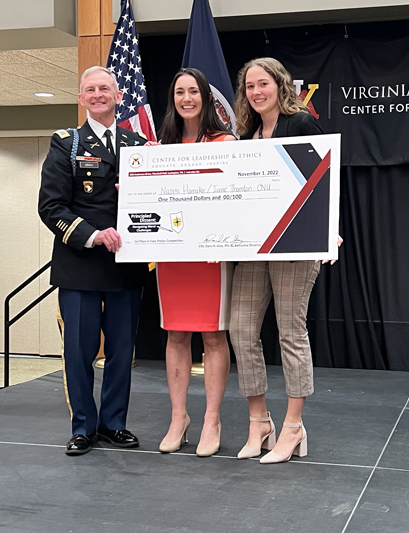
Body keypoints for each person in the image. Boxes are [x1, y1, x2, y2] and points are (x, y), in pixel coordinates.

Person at [230, 57, 338, 464]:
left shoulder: (301, 124)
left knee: (290, 332)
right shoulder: (247, 135)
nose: (257, 92)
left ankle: (293, 428)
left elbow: (322, 180)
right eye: (250, 87)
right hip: (255, 247)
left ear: (280, 85)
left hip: (295, 247)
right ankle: (260, 422)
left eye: (264, 84)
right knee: (241, 329)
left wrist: (329, 229)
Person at [38, 66, 148, 456]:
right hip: (80, 266)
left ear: (118, 96)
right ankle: (83, 427)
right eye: (90, 89)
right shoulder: (65, 143)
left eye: (105, 88)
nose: (98, 94)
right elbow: (50, 206)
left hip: (126, 267)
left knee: (122, 353)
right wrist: (93, 235)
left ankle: (114, 424)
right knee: (79, 352)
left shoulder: (137, 145)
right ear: (81, 98)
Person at [151, 68, 237, 457]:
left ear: (206, 96)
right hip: (171, 255)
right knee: (176, 334)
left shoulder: (226, 141)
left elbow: (237, 197)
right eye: (179, 92)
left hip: (210, 255)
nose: (187, 98)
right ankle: (178, 418)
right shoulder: (158, 147)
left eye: (193, 91)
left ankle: (212, 419)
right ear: (173, 99)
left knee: (214, 336)